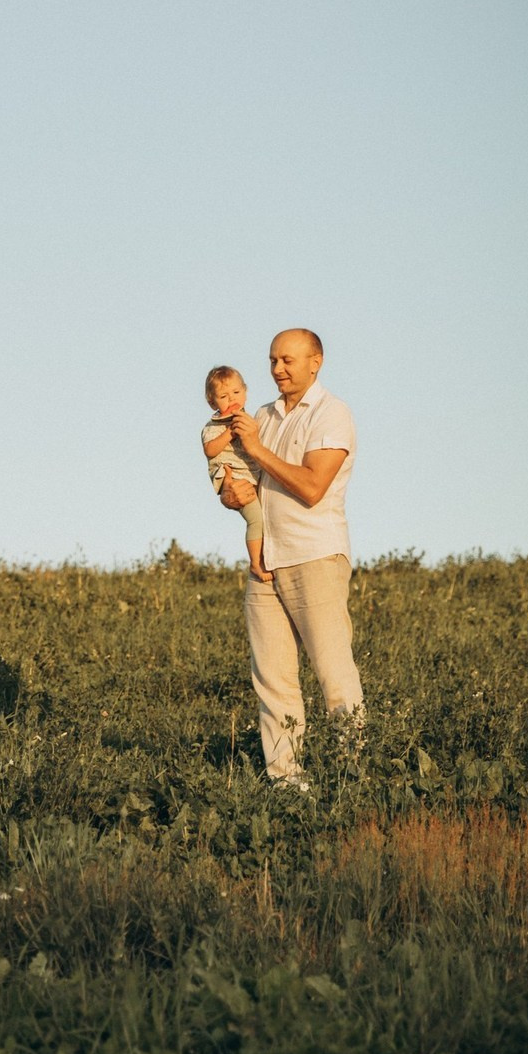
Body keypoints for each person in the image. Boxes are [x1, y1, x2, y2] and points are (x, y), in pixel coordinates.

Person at [219, 329, 363, 784]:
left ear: (315, 362)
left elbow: (312, 486)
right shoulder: (260, 414)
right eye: (272, 361)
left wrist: (259, 449)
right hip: (264, 564)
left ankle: (352, 776)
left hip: (315, 556)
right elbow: (237, 474)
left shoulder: (332, 414)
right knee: (274, 681)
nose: (278, 369)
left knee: (334, 675)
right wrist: (229, 491)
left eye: (288, 360)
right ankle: (286, 782)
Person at [201, 365, 271, 582]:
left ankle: (266, 557)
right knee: (256, 520)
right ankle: (256, 564)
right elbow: (210, 450)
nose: (232, 399)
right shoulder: (215, 426)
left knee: (266, 517)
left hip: (252, 476)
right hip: (233, 477)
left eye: (237, 393)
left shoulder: (250, 418)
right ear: (212, 402)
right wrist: (230, 433)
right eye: (223, 396)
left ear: (246, 392)